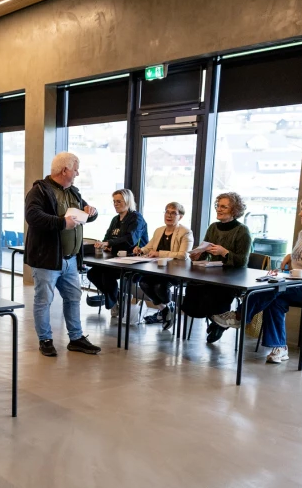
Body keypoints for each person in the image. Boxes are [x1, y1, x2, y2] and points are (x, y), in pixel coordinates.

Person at [211, 193, 302, 363]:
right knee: (275, 299)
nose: (300, 213)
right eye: (301, 209)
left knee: (274, 288)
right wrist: (290, 256)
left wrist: (284, 276)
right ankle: (279, 347)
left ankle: (239, 317)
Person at [24, 152, 102, 357]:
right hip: (47, 259)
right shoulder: (40, 191)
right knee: (44, 300)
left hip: (70, 259)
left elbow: (83, 216)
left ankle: (76, 338)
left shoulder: (73, 192)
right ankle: (45, 340)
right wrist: (61, 222)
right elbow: (32, 216)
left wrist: (92, 212)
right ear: (65, 170)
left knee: (73, 297)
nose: (77, 173)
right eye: (75, 169)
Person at [180, 192, 252, 343]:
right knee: (194, 286)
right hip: (213, 272)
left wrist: (224, 252)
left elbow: (242, 261)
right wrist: (197, 255)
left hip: (232, 277)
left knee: (214, 290)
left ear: (234, 210)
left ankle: (219, 323)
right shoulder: (213, 227)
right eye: (218, 206)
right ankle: (216, 320)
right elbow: (205, 252)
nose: (219, 209)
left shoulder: (242, 231)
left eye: (224, 207)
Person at [85, 189, 149, 317]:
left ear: (128, 202)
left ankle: (114, 301)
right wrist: (104, 244)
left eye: (119, 201)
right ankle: (117, 297)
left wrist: (109, 243)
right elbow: (107, 237)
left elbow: (130, 240)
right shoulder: (115, 219)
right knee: (92, 273)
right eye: (114, 201)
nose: (115, 204)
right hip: (115, 259)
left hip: (133, 260)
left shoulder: (136, 218)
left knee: (106, 274)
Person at [135, 202, 194, 330]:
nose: (169, 215)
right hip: (157, 270)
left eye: (173, 213)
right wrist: (141, 250)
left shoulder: (186, 232)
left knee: (159, 286)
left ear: (180, 217)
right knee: (143, 283)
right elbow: (149, 247)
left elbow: (183, 255)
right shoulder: (159, 230)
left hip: (177, 271)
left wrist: (159, 253)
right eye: (167, 212)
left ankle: (166, 309)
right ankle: (166, 309)